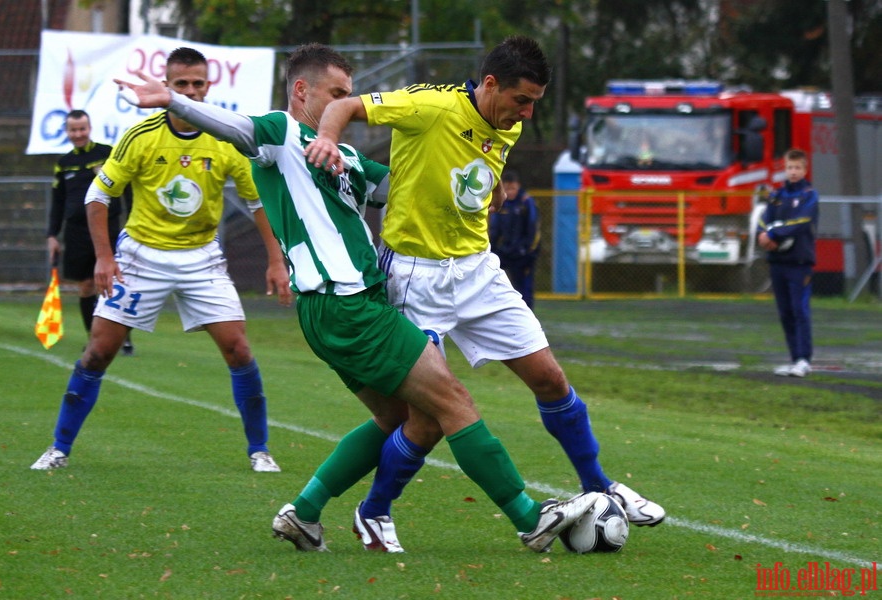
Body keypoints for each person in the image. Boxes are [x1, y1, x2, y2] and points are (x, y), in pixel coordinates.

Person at [113, 42, 596, 553]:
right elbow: (237, 127)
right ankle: (529, 517)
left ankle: (304, 513)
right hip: (345, 302)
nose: (346, 101)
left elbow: (403, 185)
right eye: (337, 93)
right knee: (453, 402)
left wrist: (486, 182)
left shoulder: (343, 156)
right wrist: (174, 101)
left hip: (345, 306)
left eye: (349, 92)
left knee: (405, 418)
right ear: (302, 90)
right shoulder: (282, 134)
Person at [305, 35, 666, 552]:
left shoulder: (506, 122)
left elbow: (478, 164)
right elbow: (342, 105)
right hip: (415, 276)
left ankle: (598, 486)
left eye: (535, 102)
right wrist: (327, 141)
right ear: (490, 84)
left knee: (550, 378)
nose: (526, 113)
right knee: (426, 419)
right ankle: (375, 510)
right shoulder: (429, 104)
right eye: (522, 99)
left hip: (478, 272)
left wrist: (491, 185)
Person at [30, 47, 289, 473]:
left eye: (197, 83)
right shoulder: (141, 135)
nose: (190, 90)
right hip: (140, 258)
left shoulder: (227, 136)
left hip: (202, 259)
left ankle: (259, 450)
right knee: (98, 353)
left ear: (209, 86)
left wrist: (276, 261)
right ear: (166, 86)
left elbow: (257, 201)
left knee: (239, 350)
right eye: (181, 83)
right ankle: (58, 448)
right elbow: (99, 195)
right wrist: (104, 258)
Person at [48, 110, 134, 355]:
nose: (78, 134)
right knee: (86, 286)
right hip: (76, 233)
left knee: (115, 284)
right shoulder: (64, 164)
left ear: (90, 128)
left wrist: (131, 219)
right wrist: (52, 234)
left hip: (108, 227)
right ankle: (94, 339)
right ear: (67, 132)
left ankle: (124, 339)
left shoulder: (106, 154)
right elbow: (57, 200)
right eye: (73, 130)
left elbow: (126, 188)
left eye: (82, 129)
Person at [757, 148, 819, 378]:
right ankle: (794, 358)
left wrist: (774, 235)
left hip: (799, 262)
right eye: (790, 168)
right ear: (784, 169)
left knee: (799, 310)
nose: (793, 172)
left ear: (805, 169)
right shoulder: (777, 195)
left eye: (797, 168)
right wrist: (763, 236)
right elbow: (764, 219)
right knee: (785, 312)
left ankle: (804, 359)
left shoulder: (809, 195)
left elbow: (800, 221)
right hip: (778, 262)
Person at [489, 169, 540, 308]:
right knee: (491, 278)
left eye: (513, 188)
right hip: (506, 251)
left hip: (524, 253)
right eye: (507, 188)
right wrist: (491, 249)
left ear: (518, 186)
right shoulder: (501, 202)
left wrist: (527, 250)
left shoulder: (526, 202)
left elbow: (533, 229)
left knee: (524, 287)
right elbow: (495, 229)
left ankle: (527, 314)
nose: (510, 192)